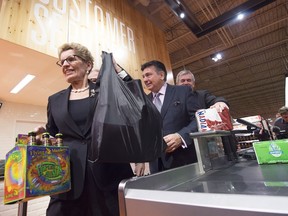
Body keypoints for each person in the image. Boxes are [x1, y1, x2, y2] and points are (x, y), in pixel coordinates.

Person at [35, 43, 144, 216]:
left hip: (107, 174)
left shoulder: (105, 92)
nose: (65, 64)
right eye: (62, 62)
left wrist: (115, 67)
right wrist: (44, 136)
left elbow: (135, 98)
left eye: (71, 59)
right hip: (67, 178)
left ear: (88, 65)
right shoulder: (54, 100)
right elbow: (54, 134)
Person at [141, 60, 200, 174]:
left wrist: (181, 136)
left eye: (148, 75)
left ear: (161, 75)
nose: (145, 79)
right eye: (143, 76)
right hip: (156, 166)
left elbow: (198, 120)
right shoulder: (145, 101)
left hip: (183, 162)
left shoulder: (183, 91)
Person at [176, 70, 238, 161]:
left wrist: (220, 102)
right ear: (177, 84)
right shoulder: (172, 100)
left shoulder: (202, 95)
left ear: (193, 84)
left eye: (189, 80)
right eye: (183, 81)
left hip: (206, 144)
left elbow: (216, 99)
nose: (186, 83)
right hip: (183, 145)